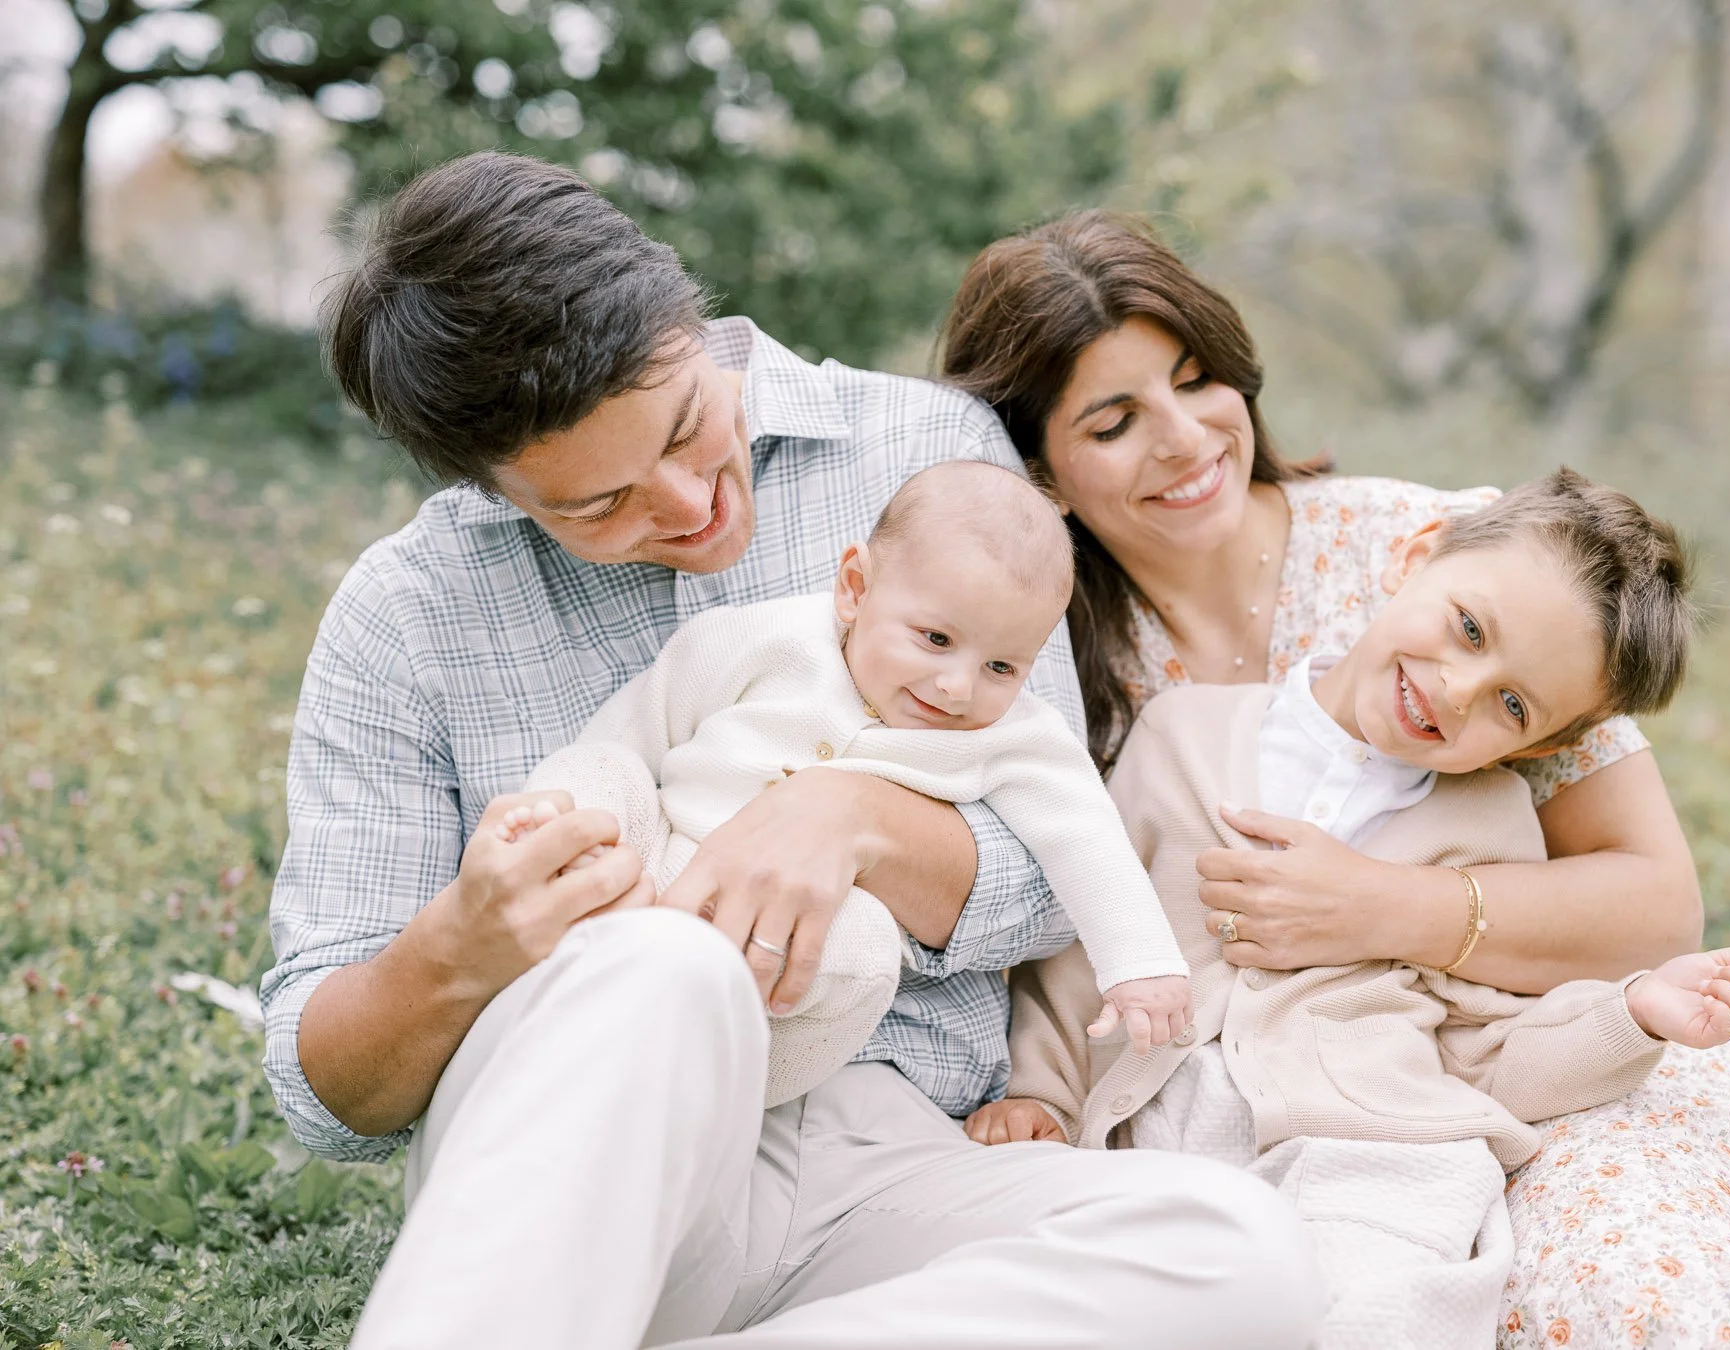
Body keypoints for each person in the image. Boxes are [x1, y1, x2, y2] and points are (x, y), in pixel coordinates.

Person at [261, 153, 1322, 1350]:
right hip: (599, 1156)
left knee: (1240, 1259)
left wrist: (850, 818)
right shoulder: (408, 613)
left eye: (685, 428)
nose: (683, 504)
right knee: (670, 967)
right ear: (496, 491)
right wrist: (456, 953)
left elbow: (1048, 879)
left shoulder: (929, 452)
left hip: (895, 1168)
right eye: (597, 507)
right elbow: (326, 1098)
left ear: (692, 318)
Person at [938, 210, 1730, 1346]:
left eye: (1200, 381)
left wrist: (1383, 909)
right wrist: (1043, 1095)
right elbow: (1066, 935)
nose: (1189, 440)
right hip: (1192, 1116)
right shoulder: (1041, 642)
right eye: (1114, 419)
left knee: (1632, 1299)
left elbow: (1655, 912)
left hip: (1492, 1079)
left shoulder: (1440, 549)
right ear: (1039, 466)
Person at [510, 460, 1190, 1108]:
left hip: (778, 963)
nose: (958, 687)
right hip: (656, 866)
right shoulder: (763, 639)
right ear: (855, 589)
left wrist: (1143, 966)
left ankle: (696, 1083)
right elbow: (642, 720)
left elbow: (1087, 836)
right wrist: (587, 813)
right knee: (603, 769)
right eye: (934, 639)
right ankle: (542, 855)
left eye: (1003, 668)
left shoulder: (1018, 738)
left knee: (865, 947)